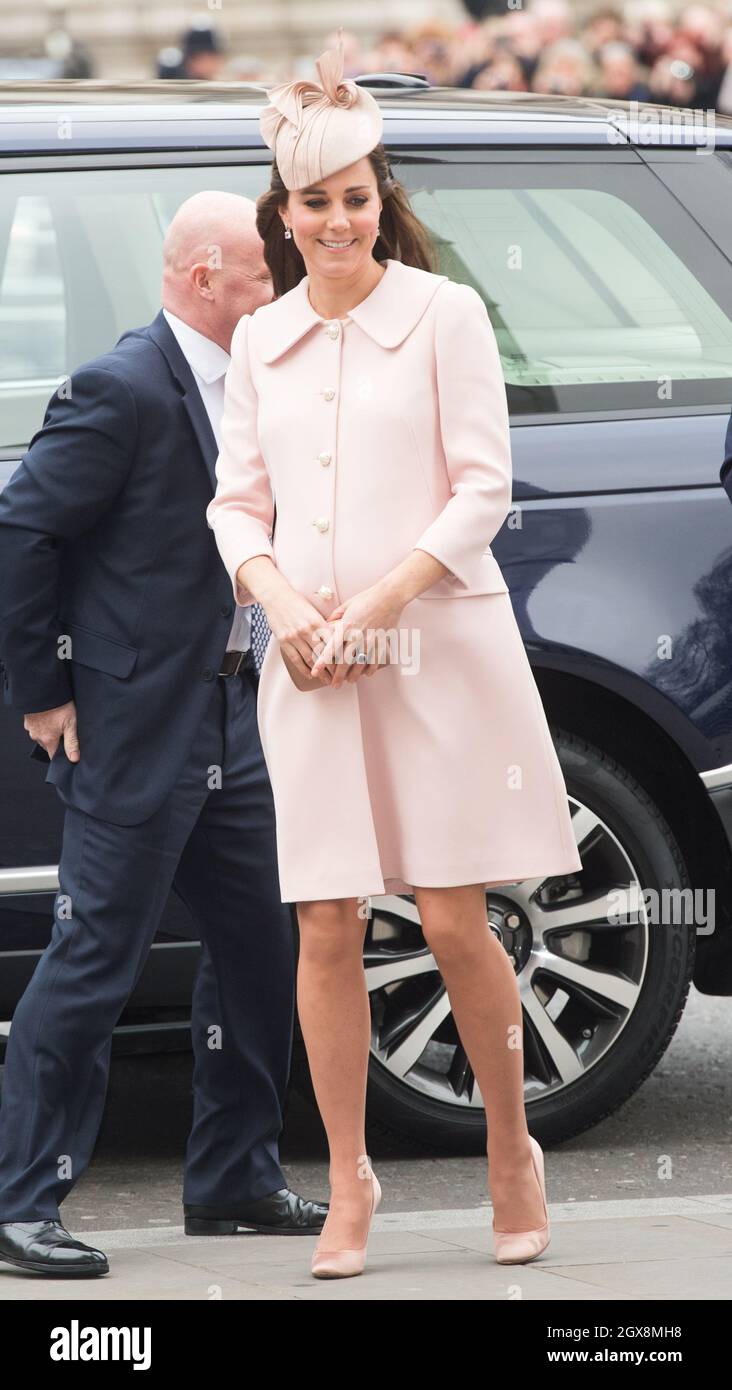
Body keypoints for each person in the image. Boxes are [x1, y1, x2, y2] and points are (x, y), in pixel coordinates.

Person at [206, 29, 583, 1279]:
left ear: (382, 199)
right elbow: (234, 504)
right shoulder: (259, 341)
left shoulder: (445, 313)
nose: (337, 222)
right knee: (323, 923)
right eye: (314, 202)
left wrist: (373, 602)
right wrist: (282, 609)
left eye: (355, 199)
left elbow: (481, 489)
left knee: (453, 915)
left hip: (433, 656)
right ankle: (349, 1183)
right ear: (285, 212)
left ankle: (510, 1151)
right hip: (309, 662)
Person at [0, 191, 328, 1278]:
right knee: (94, 957)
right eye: (260, 276)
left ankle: (233, 1179)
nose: (276, 291)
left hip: (236, 708)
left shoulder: (262, 383)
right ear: (200, 278)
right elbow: (23, 532)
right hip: (134, 724)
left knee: (260, 950)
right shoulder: (123, 385)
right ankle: (22, 1199)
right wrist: (44, 690)